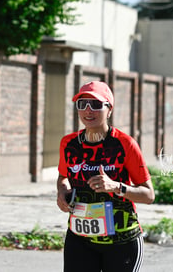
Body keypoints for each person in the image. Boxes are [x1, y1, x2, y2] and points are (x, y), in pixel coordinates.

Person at [57, 81, 155, 272]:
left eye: (95, 104)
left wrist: (116, 187)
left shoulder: (125, 144)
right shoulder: (68, 144)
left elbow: (149, 195)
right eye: (82, 104)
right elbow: (63, 177)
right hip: (79, 239)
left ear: (109, 109)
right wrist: (62, 192)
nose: (88, 110)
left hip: (122, 242)